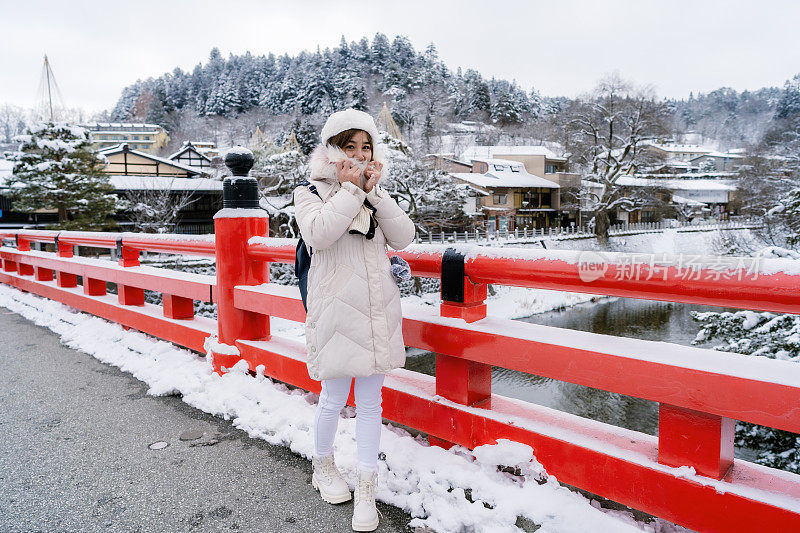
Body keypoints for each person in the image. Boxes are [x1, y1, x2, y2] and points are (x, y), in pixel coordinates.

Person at [293, 108, 416, 532]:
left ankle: (367, 486)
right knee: (331, 397)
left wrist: (374, 194)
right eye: (350, 147)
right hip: (334, 311)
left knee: (370, 403)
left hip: (376, 311)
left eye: (367, 148)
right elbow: (320, 235)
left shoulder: (373, 195)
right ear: (331, 150)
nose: (361, 156)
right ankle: (323, 466)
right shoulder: (307, 192)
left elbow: (404, 237)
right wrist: (350, 190)